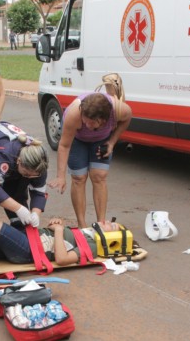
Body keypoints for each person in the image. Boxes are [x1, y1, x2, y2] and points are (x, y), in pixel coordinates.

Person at [48, 73, 132, 228]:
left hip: (102, 139)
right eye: (84, 121)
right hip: (77, 141)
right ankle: (82, 225)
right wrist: (60, 177)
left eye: (91, 123)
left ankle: (101, 223)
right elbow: (64, 145)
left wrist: (112, 142)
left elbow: (127, 119)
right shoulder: (74, 114)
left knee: (99, 176)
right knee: (79, 178)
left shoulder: (119, 110)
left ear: (103, 119)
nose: (86, 125)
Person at [0, 210, 124, 266]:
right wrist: (55, 226)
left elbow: (62, 259)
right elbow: (57, 236)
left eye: (112, 225)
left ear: (112, 237)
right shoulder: (87, 232)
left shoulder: (93, 247)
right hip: (28, 239)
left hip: (28, 249)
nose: (107, 221)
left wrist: (58, 231)